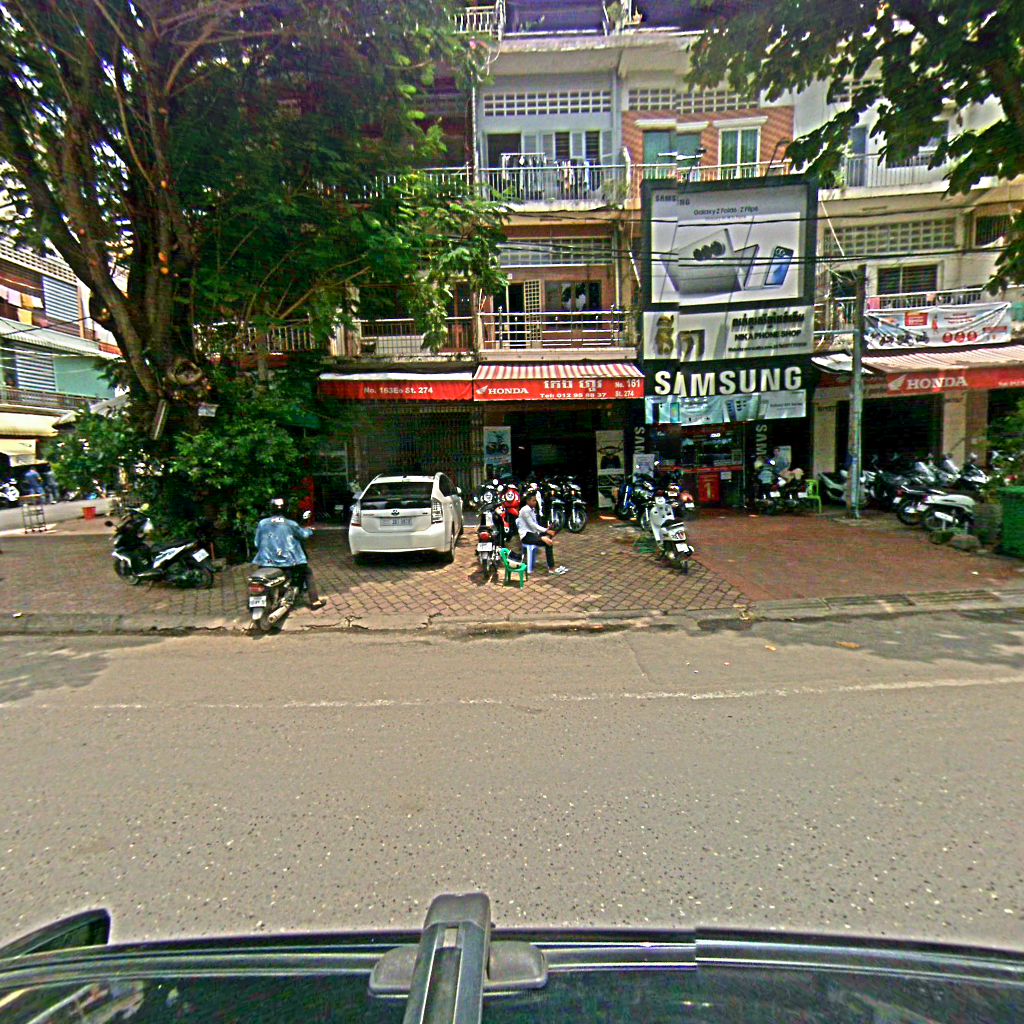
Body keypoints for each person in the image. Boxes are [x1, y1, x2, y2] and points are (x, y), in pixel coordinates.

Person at [252, 498, 325, 609]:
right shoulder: (290, 524)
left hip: (266, 561)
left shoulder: (262, 523)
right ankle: (315, 601)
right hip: (288, 561)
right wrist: (309, 530)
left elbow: (256, 543)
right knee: (307, 572)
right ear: (286, 509)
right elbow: (303, 535)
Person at [516, 492, 568, 576]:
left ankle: (545, 539)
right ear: (528, 501)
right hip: (526, 536)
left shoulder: (532, 510)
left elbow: (536, 525)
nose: (535, 502)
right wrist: (545, 532)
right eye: (533, 501)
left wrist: (547, 529)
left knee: (551, 533)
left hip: (533, 534)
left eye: (535, 501)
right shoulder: (525, 510)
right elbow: (532, 525)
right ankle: (551, 569)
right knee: (548, 542)